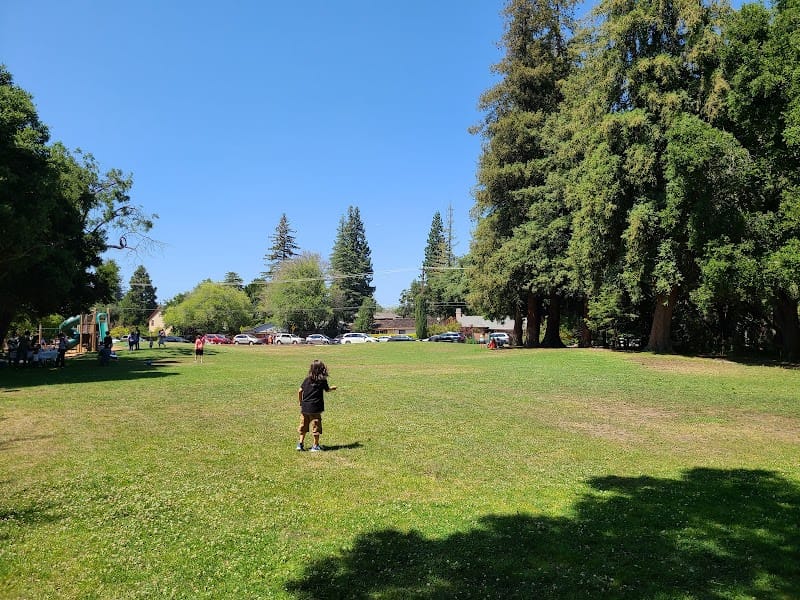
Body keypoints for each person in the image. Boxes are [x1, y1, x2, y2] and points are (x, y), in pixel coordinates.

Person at [296, 359, 337, 452]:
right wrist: (332, 388)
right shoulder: (322, 380)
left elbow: (300, 390)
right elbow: (327, 390)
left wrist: (300, 402)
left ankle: (300, 444)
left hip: (305, 408)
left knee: (303, 425)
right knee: (316, 426)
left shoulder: (307, 379)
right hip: (315, 408)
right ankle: (315, 446)